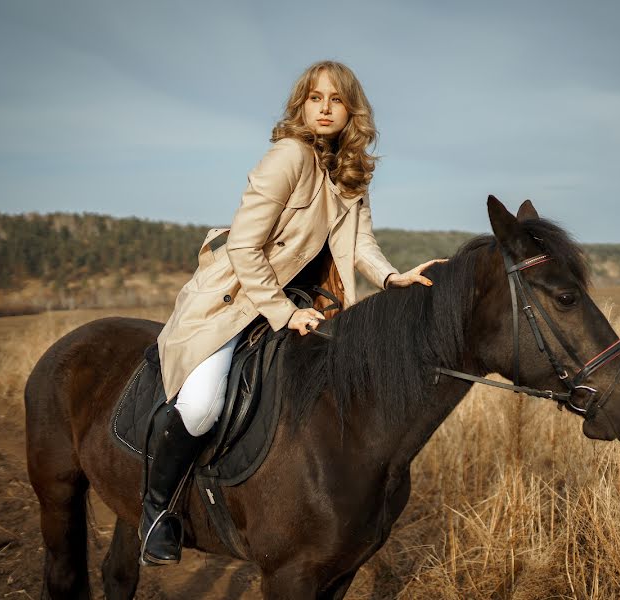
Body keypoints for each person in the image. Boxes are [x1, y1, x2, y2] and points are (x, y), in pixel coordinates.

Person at [139, 60, 444, 566]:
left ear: (351, 111)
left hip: (308, 301)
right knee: (201, 405)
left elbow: (360, 243)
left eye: (337, 100)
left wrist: (393, 277)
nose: (325, 108)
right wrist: (282, 313)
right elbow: (244, 247)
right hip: (237, 299)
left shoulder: (351, 170)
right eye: (315, 98)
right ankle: (157, 512)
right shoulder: (287, 157)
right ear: (302, 105)